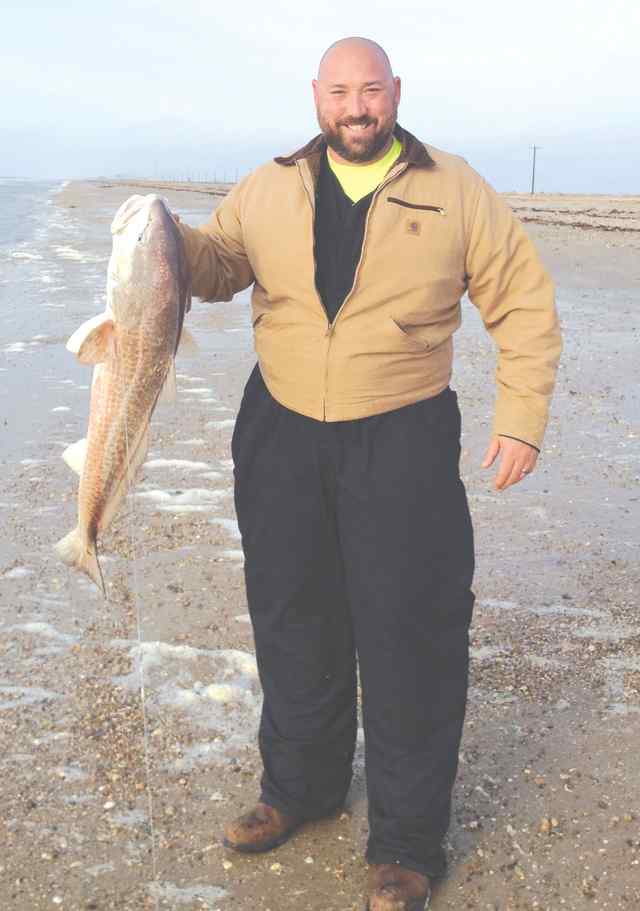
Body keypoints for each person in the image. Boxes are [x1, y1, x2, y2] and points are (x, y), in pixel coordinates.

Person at [176, 36, 562, 911]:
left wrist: (522, 418)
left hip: (403, 434)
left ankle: (405, 842)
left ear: (395, 94)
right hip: (280, 428)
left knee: (411, 632)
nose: (357, 107)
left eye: (372, 90)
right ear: (317, 96)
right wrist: (163, 238)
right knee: (290, 612)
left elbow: (525, 300)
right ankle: (301, 790)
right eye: (341, 91)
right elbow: (218, 266)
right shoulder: (269, 184)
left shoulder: (454, 187)